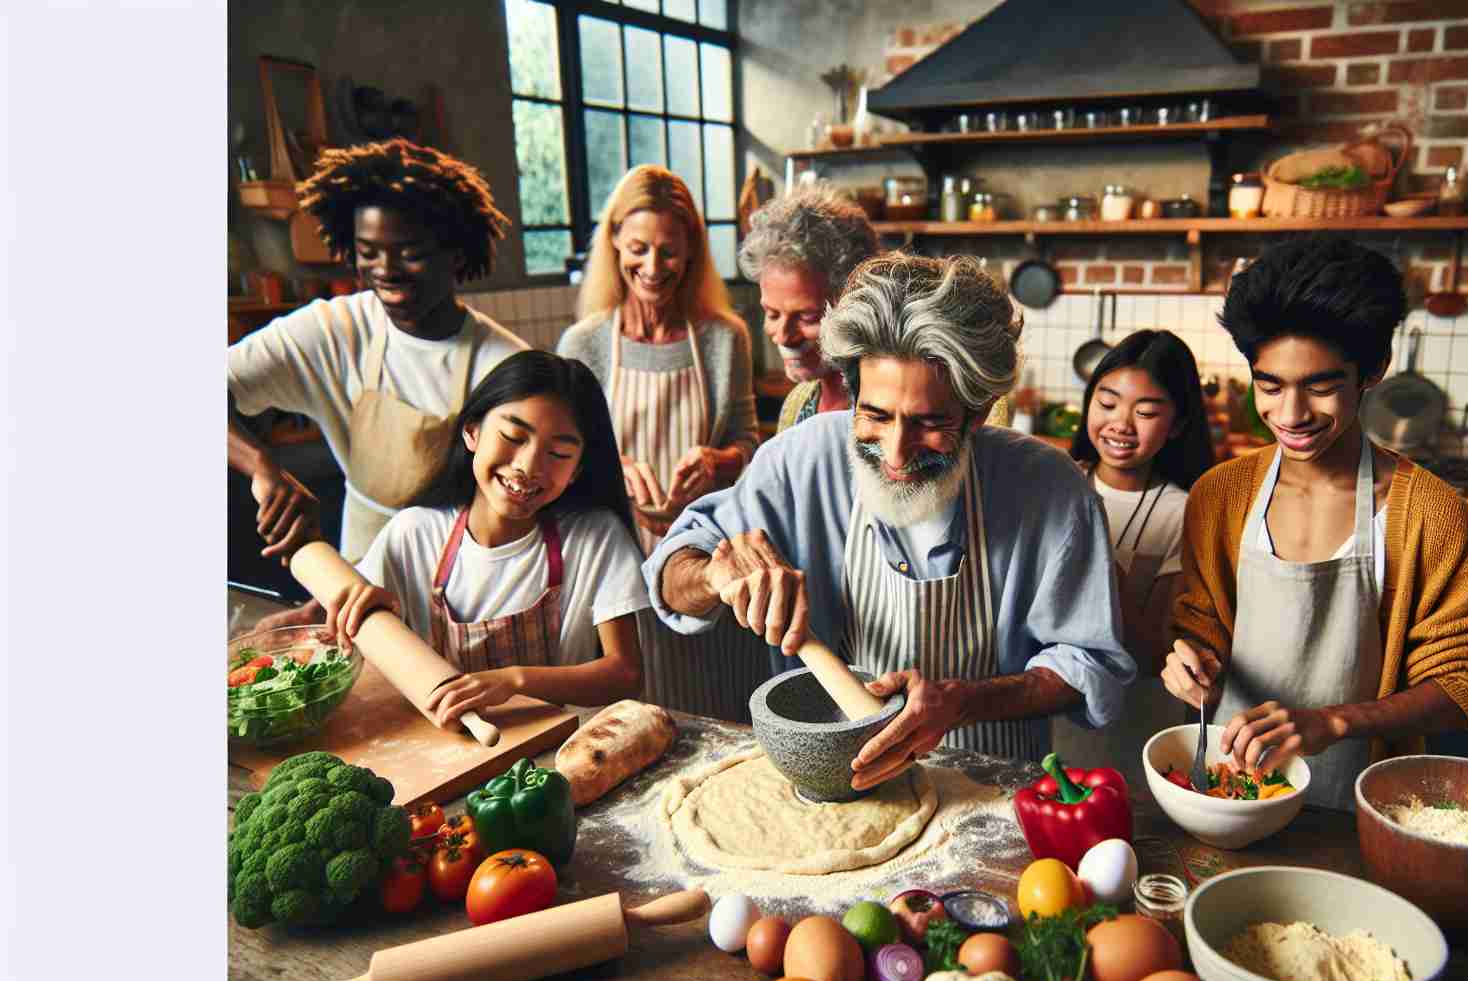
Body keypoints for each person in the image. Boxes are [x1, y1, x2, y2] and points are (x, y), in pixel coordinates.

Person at [643, 252, 1135, 788]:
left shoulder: (1049, 488)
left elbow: (1087, 662)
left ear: (979, 408)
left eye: (929, 423)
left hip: (991, 783)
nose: (897, 452)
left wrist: (964, 702)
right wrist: (714, 576)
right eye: (875, 416)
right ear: (851, 390)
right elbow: (672, 575)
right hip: (833, 780)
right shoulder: (798, 463)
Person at [1161, 237, 1468, 810]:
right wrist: (1193, 662)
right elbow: (1203, 623)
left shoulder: (1433, 515)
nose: (1290, 415)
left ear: (1373, 370)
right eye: (1269, 386)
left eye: (1320, 387)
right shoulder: (1220, 495)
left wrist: (1334, 722)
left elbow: (1462, 686)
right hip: (1227, 791)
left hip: (1361, 803)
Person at [229, 139, 527, 629]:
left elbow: (515, 524)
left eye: (409, 253)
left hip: (466, 604)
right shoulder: (336, 330)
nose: (385, 272)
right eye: (368, 253)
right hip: (351, 595)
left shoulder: (503, 366)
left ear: (454, 253)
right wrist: (261, 465)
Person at [318, 350, 646, 725]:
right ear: (472, 431)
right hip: (446, 755)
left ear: (576, 470)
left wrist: (513, 681)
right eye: (513, 436)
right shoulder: (412, 534)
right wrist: (370, 615)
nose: (528, 467)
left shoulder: (596, 537)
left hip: (555, 756)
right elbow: (348, 649)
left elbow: (625, 675)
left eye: (557, 453)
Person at [556, 165, 764, 722]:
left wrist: (721, 461)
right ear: (614, 246)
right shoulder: (585, 343)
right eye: (638, 249)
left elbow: (750, 441)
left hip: (709, 562)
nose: (652, 268)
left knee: (725, 718)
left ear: (692, 251)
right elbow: (561, 460)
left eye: (669, 252)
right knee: (647, 721)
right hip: (619, 562)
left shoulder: (725, 338)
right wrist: (613, 467)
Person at [1052, 330, 1216, 791]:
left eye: (1145, 412)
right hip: (1052, 708)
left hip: (1136, 720)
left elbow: (1152, 649)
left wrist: (1095, 545)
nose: (1122, 424)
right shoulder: (1056, 484)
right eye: (1107, 404)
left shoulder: (1184, 511)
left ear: (1179, 424)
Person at [737, 186, 1013, 433]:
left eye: (807, 317)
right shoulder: (799, 403)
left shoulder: (951, 398)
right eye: (772, 314)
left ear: (859, 301)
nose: (784, 336)